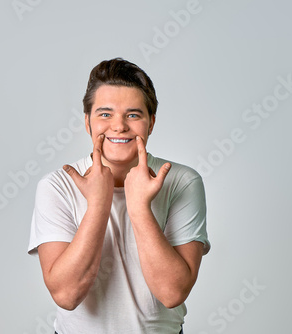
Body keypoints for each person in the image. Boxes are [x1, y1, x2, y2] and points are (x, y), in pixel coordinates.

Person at [27, 58, 210, 334]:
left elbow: (172, 293)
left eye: (133, 115)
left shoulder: (182, 182)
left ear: (151, 123)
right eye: (105, 114)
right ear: (87, 122)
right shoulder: (57, 186)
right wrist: (99, 203)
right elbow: (66, 295)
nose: (119, 126)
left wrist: (139, 206)